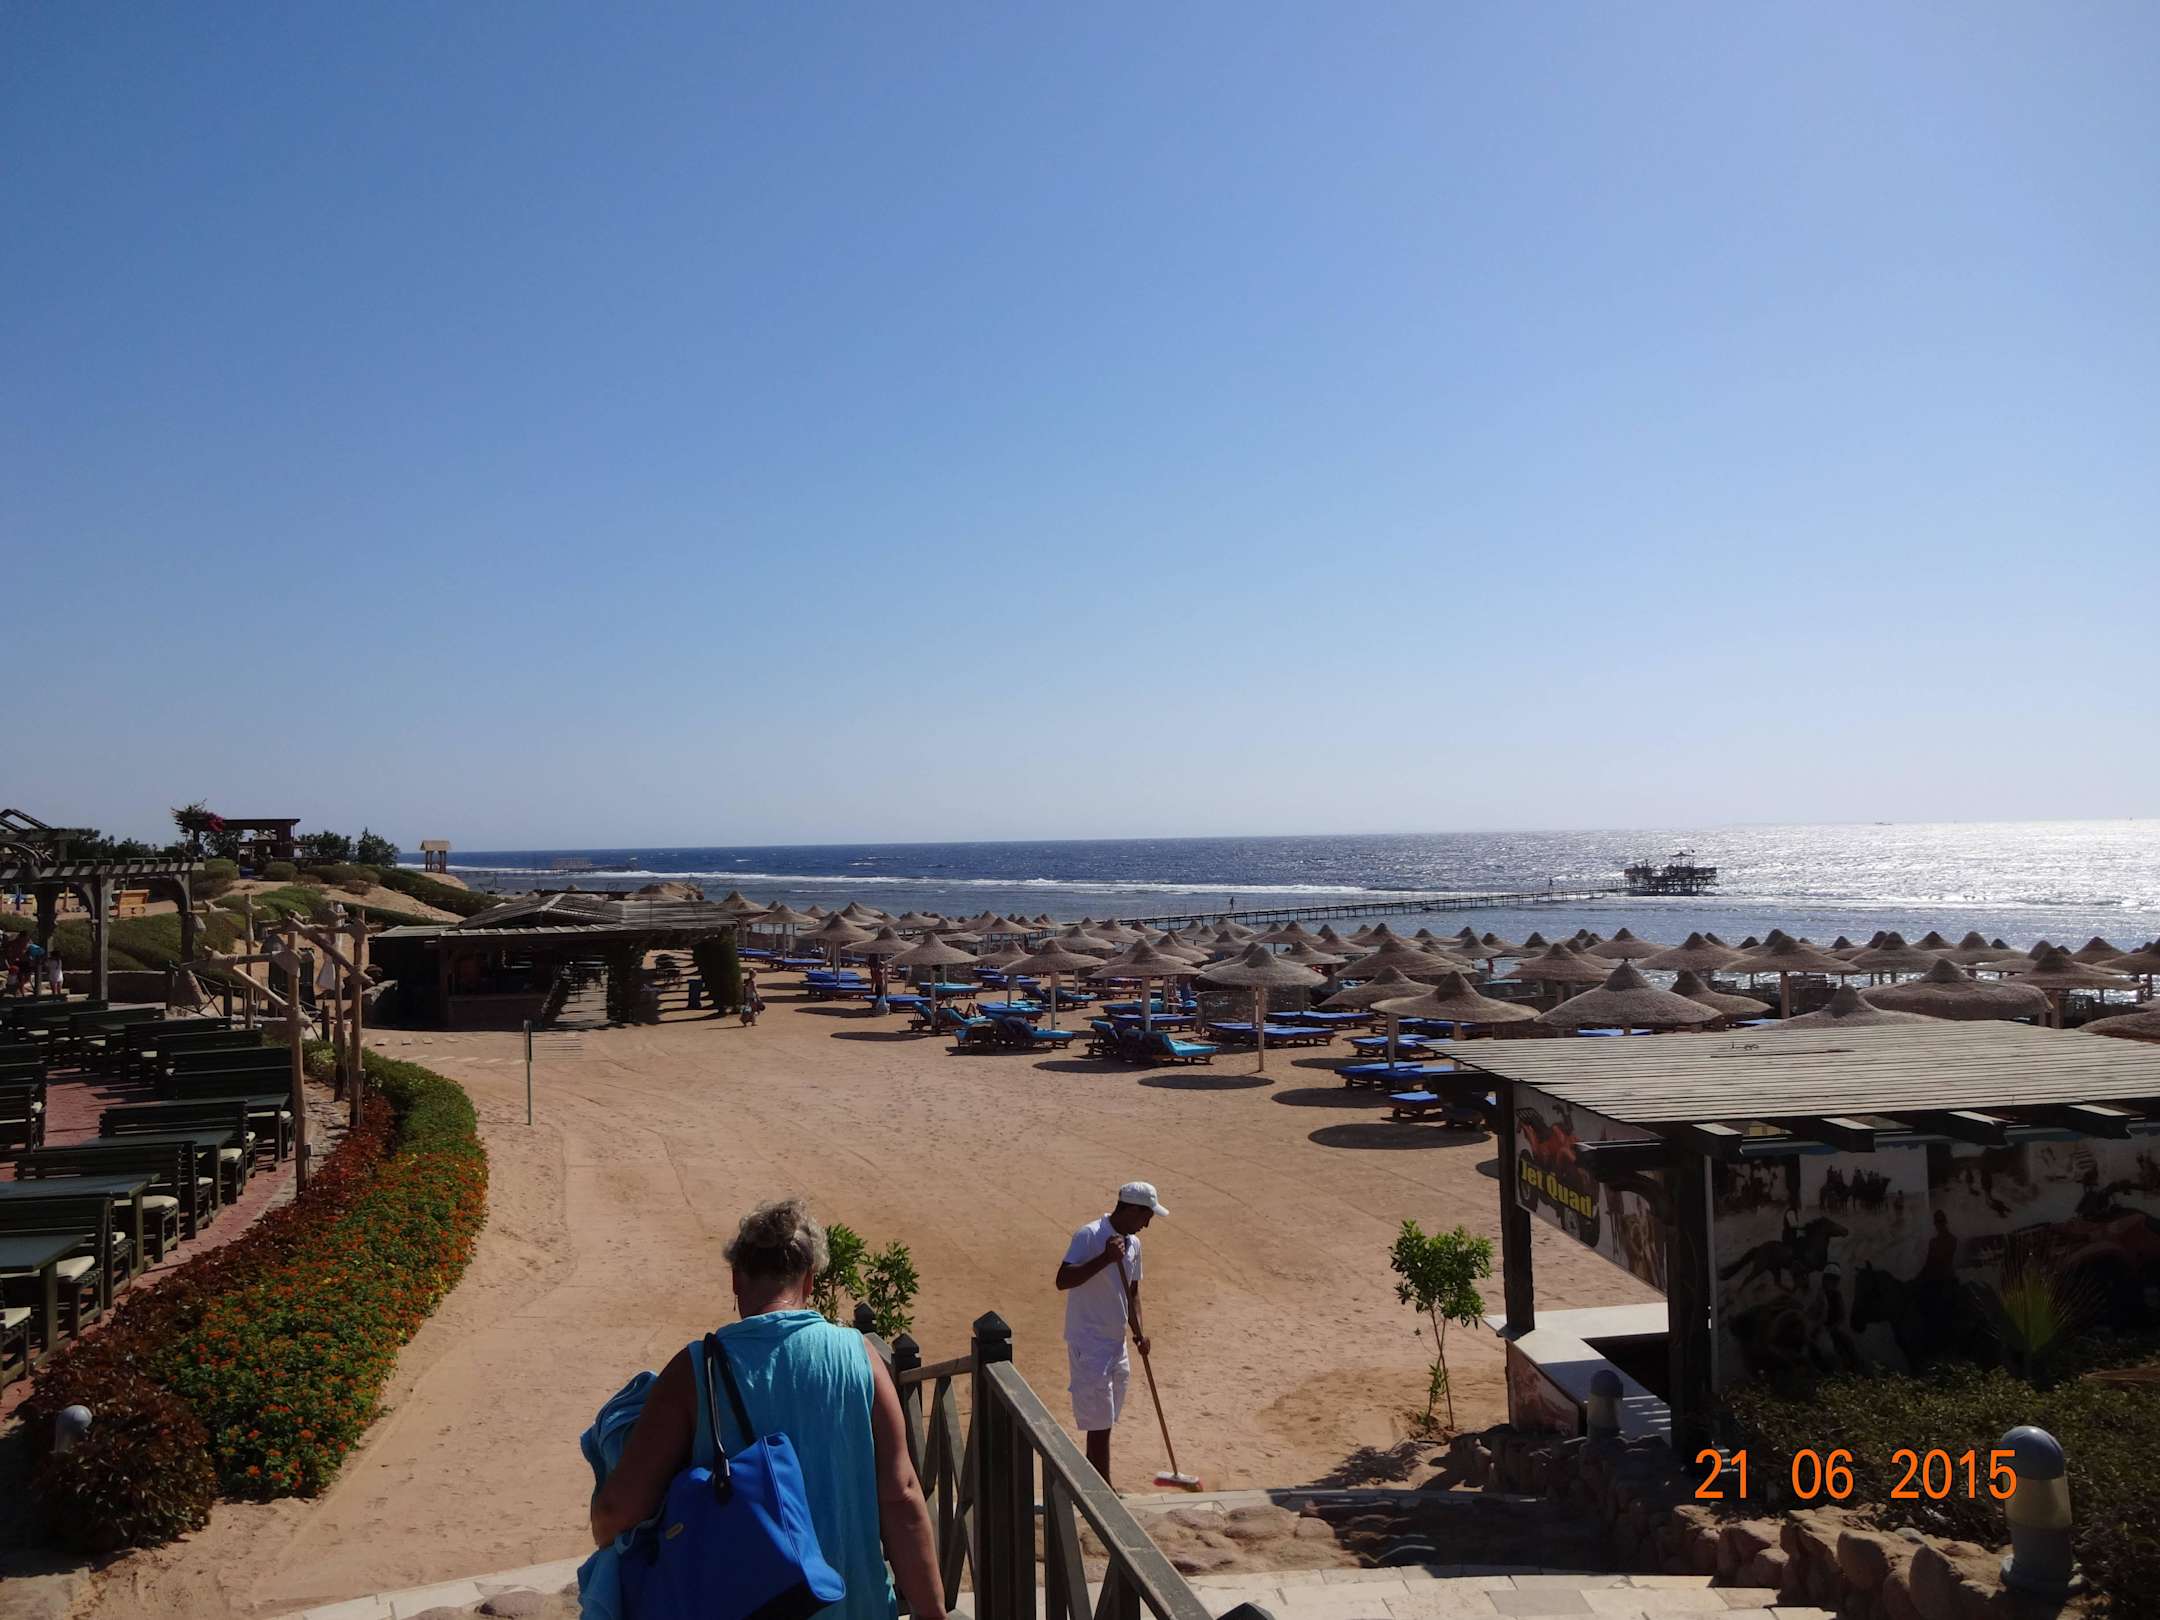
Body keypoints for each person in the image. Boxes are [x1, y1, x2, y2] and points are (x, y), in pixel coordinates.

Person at [589, 1198, 943, 1620]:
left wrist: (603, 1530)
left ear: (736, 1279)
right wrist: (932, 1613)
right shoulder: (858, 1356)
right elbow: (902, 1495)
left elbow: (619, 1509)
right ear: (809, 1280)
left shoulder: (695, 1369)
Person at [1054, 1181, 1167, 1484]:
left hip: (1117, 1342)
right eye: (1146, 1216)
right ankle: (1102, 1491)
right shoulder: (1089, 1235)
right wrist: (1105, 1258)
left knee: (1107, 1417)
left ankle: (1097, 1486)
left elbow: (1132, 1292)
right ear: (1131, 1209)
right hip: (1089, 1342)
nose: (1147, 1224)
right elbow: (1063, 1280)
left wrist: (1139, 1332)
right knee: (1099, 1423)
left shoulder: (1134, 1244)